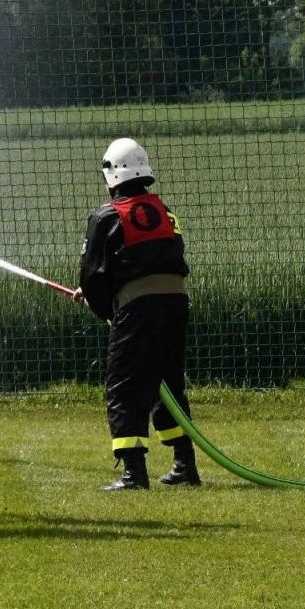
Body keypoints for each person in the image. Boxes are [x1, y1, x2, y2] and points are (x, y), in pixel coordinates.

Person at [73, 138, 198, 490]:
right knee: (168, 384)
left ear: (111, 173)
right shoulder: (165, 212)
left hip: (137, 311)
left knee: (124, 386)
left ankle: (133, 473)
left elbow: (93, 276)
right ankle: (185, 465)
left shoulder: (106, 216)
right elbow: (159, 260)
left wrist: (108, 310)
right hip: (176, 305)